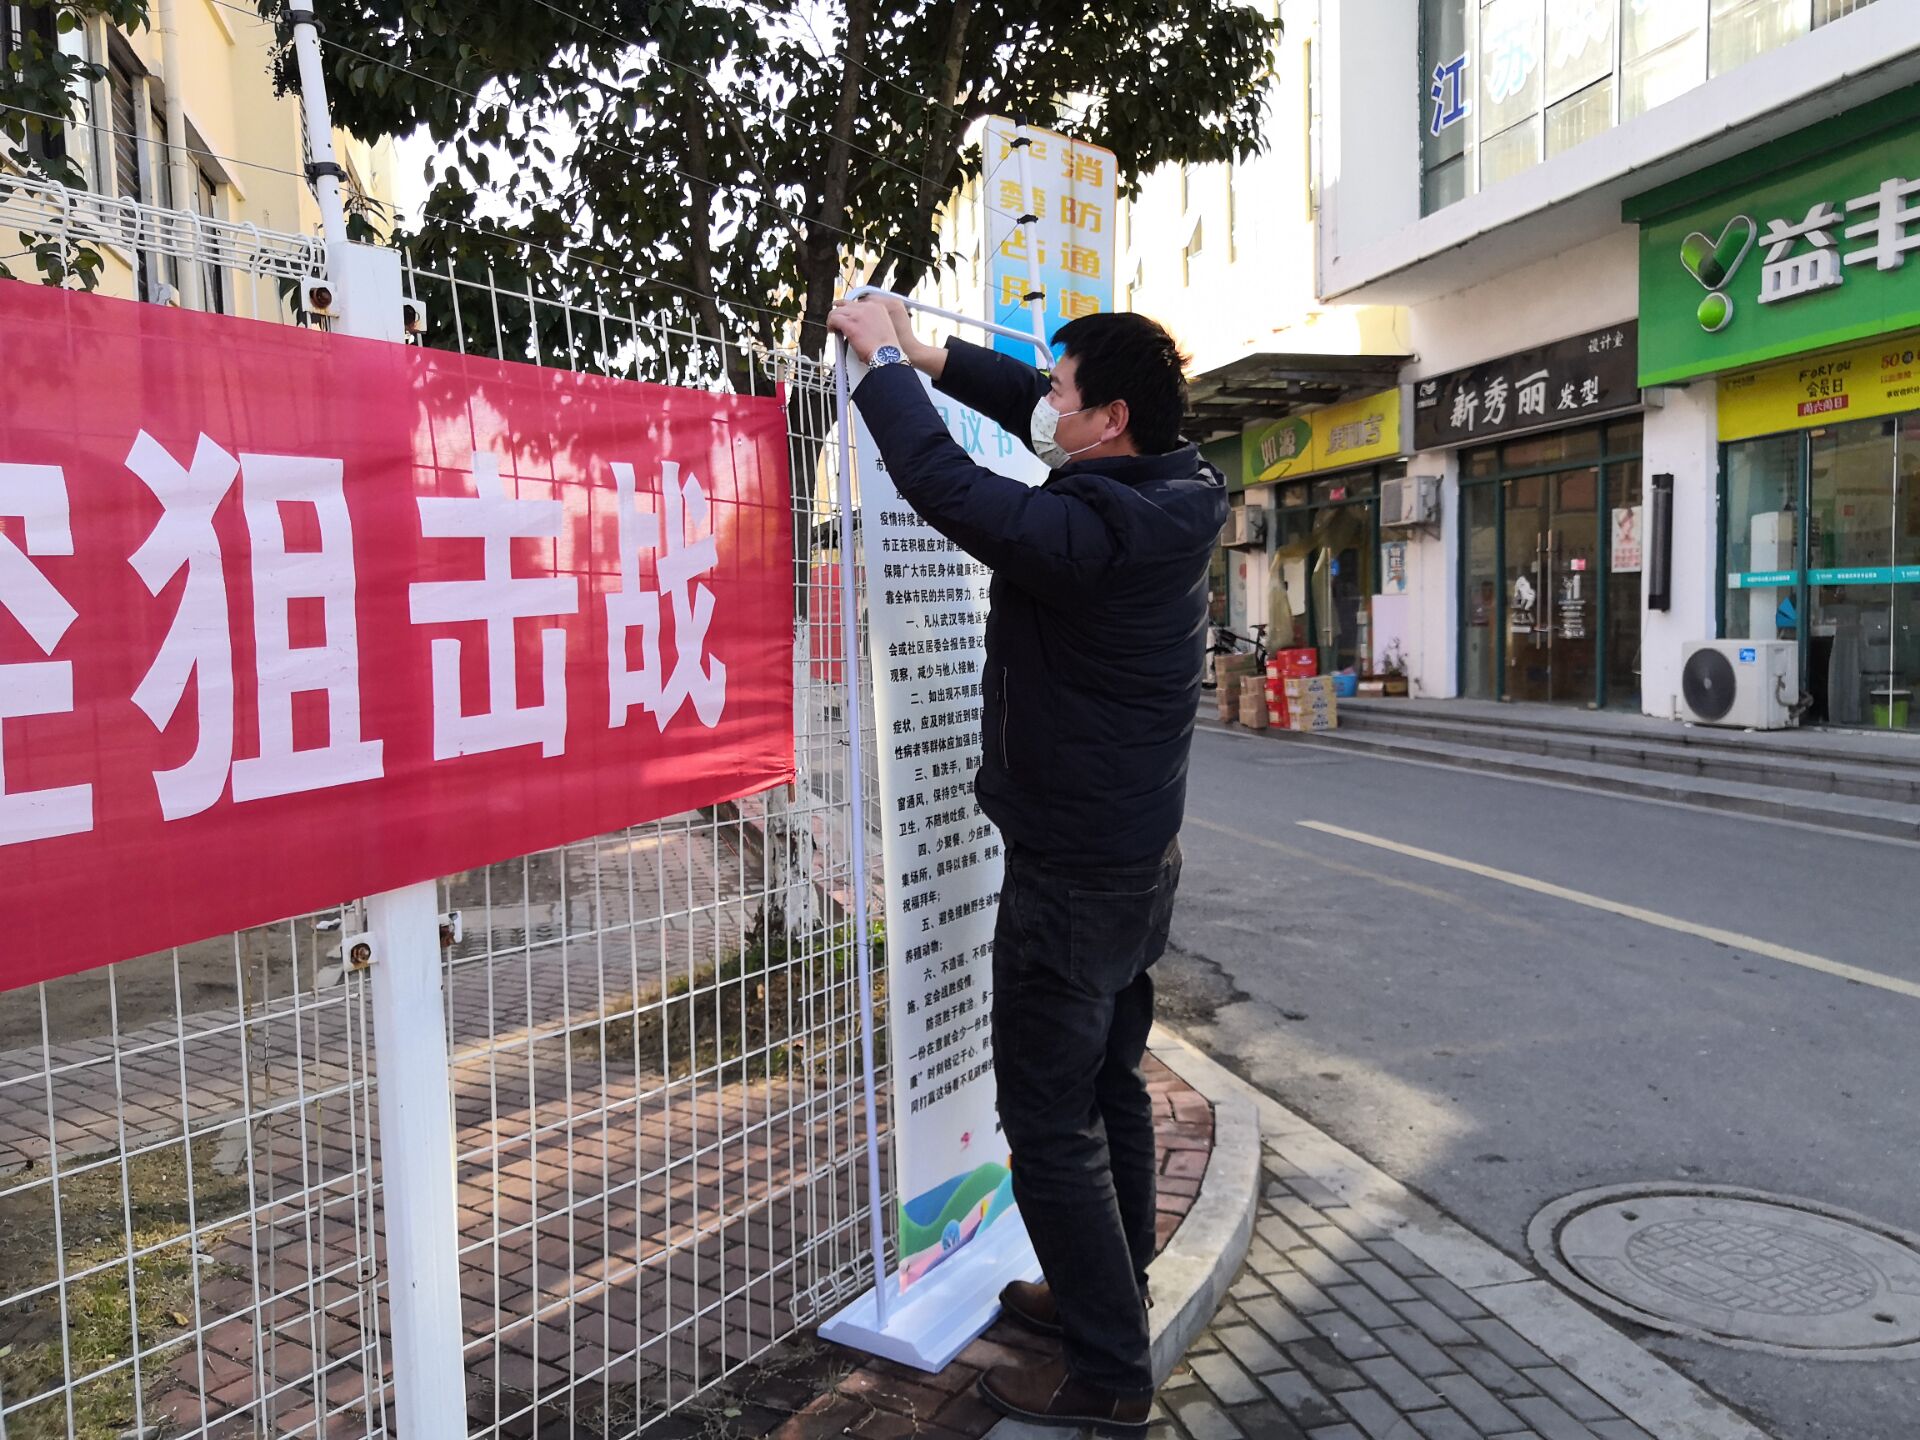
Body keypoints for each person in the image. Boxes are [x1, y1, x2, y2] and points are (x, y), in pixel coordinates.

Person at [826, 294, 1226, 1437]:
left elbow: (950, 489)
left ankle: (1109, 1371)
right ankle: (1110, 1292)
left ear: (1109, 419)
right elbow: (1022, 409)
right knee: (1108, 1084)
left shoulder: (1095, 532)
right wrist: (931, 354)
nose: (1043, 403)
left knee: (1047, 1117)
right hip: (1135, 857)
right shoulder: (1173, 484)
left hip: (1074, 872)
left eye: (1061, 391)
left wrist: (880, 368)